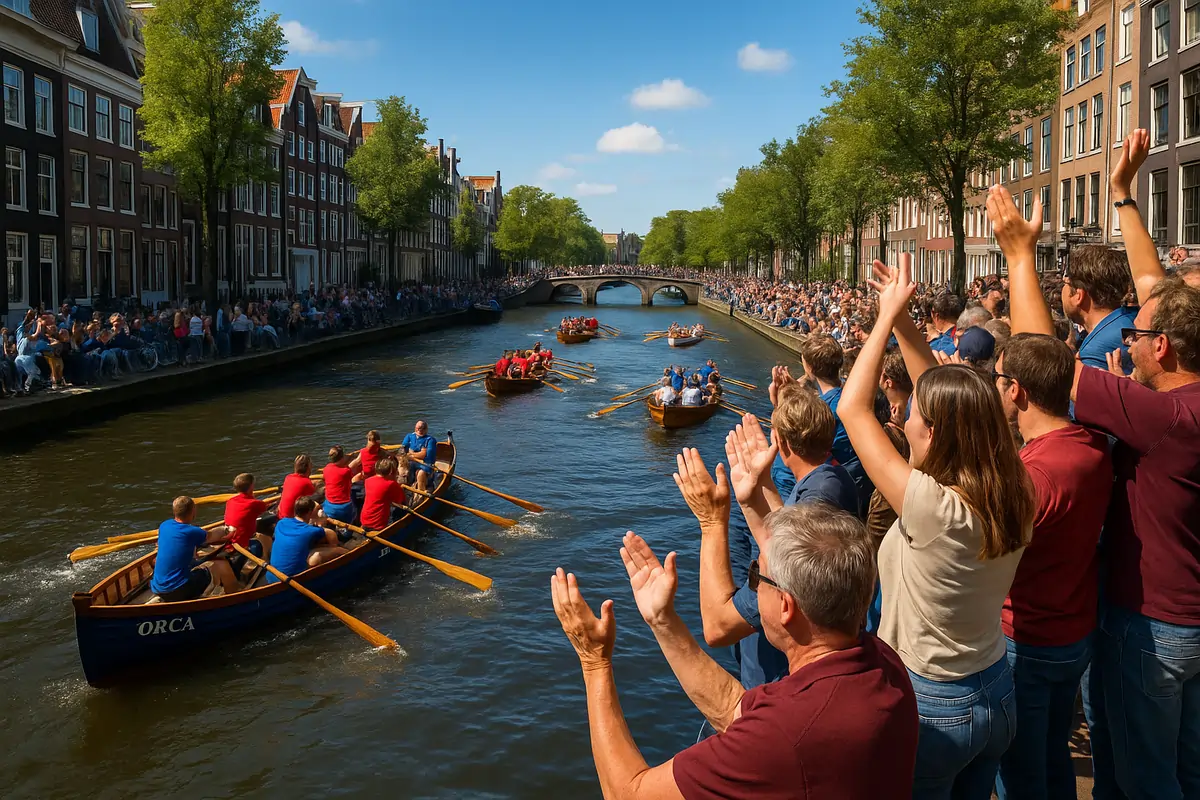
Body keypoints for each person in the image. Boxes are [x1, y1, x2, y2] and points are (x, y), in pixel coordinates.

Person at [992, 131, 1200, 799]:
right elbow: (1154, 288)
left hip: (1150, 625)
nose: (1128, 339)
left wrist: (1021, 258)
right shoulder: (1179, 398)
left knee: (1139, 775)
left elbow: (1038, 363)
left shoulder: (1161, 418)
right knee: (1189, 769)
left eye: (1139, 334)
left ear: (1161, 347)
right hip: (1192, 619)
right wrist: (1122, 196)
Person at [549, 504, 918, 799]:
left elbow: (626, 793)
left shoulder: (787, 736)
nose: (750, 583)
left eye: (757, 575)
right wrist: (662, 621)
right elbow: (734, 709)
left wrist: (594, 661)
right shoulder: (881, 661)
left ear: (786, 606)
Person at [838, 253, 1033, 799]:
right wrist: (902, 320)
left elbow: (854, 409)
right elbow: (955, 402)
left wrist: (882, 320)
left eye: (913, 416)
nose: (901, 418)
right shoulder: (1014, 484)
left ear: (937, 433)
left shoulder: (932, 508)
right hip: (995, 687)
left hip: (935, 704)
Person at [151, 496, 240, 601]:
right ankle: (234, 598)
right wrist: (226, 530)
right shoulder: (192, 531)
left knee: (194, 565)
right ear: (193, 511)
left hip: (157, 588)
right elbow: (212, 535)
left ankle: (165, 598)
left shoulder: (164, 525)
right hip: (179, 589)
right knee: (222, 564)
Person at [267, 496, 345, 581]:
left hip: (272, 576)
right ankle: (351, 557)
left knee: (314, 549)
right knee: (338, 550)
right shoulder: (310, 531)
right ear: (310, 513)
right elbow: (330, 533)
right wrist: (320, 521)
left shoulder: (281, 523)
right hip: (292, 578)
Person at [223, 473, 271, 576]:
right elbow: (265, 507)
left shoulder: (230, 501)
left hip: (229, 539)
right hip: (242, 543)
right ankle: (262, 563)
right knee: (262, 543)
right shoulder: (254, 503)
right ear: (251, 486)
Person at [360, 455, 409, 531]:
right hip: (378, 524)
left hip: (364, 520)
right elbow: (401, 502)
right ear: (390, 473)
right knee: (402, 510)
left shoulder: (368, 481)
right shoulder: (391, 484)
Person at [321, 446, 361, 525]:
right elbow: (356, 464)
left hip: (328, 506)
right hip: (344, 508)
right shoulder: (345, 471)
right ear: (342, 457)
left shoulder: (326, 468)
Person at [279, 454, 322, 519]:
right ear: (308, 467)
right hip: (292, 517)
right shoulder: (307, 483)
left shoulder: (288, 477)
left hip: (281, 515)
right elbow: (315, 496)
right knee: (318, 504)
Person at [401, 420, 438, 492]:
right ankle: (402, 488)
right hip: (411, 462)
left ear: (426, 429)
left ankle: (421, 492)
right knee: (401, 467)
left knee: (421, 474)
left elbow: (424, 455)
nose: (420, 429)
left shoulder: (430, 440)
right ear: (415, 428)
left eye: (422, 428)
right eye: (418, 428)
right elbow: (403, 450)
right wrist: (418, 454)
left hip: (425, 464)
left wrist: (412, 454)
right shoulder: (409, 436)